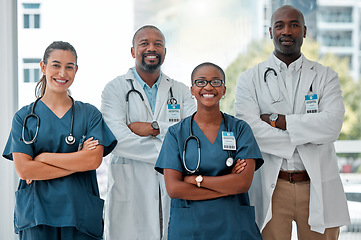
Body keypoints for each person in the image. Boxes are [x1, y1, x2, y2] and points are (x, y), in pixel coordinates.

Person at [234, 5, 350, 240]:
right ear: (270, 32)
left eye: (293, 25)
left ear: (305, 31)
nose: (286, 31)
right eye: (280, 25)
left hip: (316, 183)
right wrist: (307, 132)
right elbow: (251, 132)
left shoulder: (325, 76)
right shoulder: (249, 79)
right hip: (273, 186)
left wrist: (280, 121)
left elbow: (332, 126)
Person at [2, 41, 117, 240]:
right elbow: (25, 170)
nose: (62, 73)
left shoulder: (90, 114)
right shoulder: (24, 117)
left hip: (79, 213)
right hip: (37, 214)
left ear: (76, 70)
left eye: (69, 67)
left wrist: (43, 158)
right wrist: (77, 160)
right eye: (56, 65)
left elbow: (92, 161)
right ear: (43, 67)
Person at [101, 25, 196, 240]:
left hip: (172, 190)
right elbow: (117, 139)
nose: (151, 48)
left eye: (158, 44)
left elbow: (193, 133)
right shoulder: (114, 89)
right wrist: (172, 150)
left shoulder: (180, 90)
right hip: (130, 191)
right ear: (133, 51)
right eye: (144, 43)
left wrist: (155, 128)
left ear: (165, 51)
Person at [155, 62, 264, 239]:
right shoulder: (176, 134)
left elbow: (243, 183)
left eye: (215, 82)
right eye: (201, 82)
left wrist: (196, 180)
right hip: (191, 226)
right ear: (192, 90)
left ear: (224, 89)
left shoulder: (240, 129)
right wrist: (227, 186)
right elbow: (174, 188)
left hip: (232, 225)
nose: (208, 87)